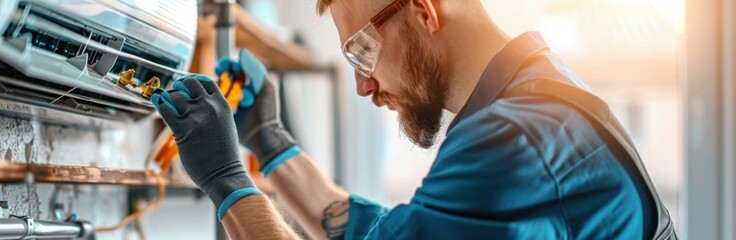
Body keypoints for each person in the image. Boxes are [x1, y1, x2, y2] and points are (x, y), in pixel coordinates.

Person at [150, 0, 676, 239]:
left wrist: (227, 182)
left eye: (361, 51)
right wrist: (274, 143)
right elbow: (391, 235)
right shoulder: (538, 96)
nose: (362, 84)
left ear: (424, 11)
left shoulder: (515, 139)